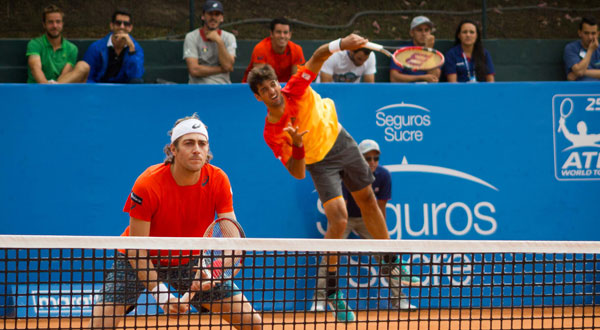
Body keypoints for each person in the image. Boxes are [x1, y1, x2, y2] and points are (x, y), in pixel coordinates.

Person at [247, 34, 417, 322]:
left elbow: (318, 56)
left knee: (368, 200)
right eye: (264, 89)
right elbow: (298, 173)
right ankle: (333, 292)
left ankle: (391, 262)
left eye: (273, 84)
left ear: (278, 82)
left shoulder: (296, 87)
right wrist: (298, 145)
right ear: (258, 97)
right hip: (316, 162)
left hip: (340, 141)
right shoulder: (272, 133)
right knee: (338, 218)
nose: (272, 91)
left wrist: (342, 43)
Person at [89, 114, 262, 329]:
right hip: (141, 258)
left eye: (202, 143)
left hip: (192, 262)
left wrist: (211, 271)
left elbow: (233, 242)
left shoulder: (218, 179)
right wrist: (162, 296)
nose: (197, 149)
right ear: (173, 149)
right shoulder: (148, 184)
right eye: (189, 143)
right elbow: (136, 249)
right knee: (98, 325)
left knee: (252, 322)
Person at [313, 140, 417, 311]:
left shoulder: (384, 176)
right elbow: (341, 209)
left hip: (367, 219)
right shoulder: (347, 175)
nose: (372, 162)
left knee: (388, 257)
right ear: (359, 159)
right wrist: (336, 233)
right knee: (330, 255)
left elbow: (380, 208)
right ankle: (319, 300)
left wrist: (382, 239)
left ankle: (399, 299)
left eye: (376, 158)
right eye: (368, 158)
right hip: (345, 217)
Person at [58, 8, 144, 83]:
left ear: (130, 28)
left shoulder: (136, 49)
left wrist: (131, 49)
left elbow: (136, 76)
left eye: (126, 24)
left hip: (123, 92)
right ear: (112, 25)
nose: (122, 26)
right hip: (99, 90)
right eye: (118, 23)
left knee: (137, 81)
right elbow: (88, 77)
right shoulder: (96, 47)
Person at [183, 0, 236, 84]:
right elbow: (194, 70)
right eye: (210, 14)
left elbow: (228, 65)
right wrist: (222, 69)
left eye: (217, 14)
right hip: (198, 88)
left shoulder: (229, 37)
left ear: (222, 18)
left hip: (223, 87)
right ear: (203, 16)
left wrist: (219, 41)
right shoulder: (191, 37)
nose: (213, 18)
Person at [242, 18, 305, 83]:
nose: (282, 36)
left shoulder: (296, 49)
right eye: (278, 32)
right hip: (256, 88)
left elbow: (296, 80)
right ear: (271, 34)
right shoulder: (261, 48)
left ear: (290, 35)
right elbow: (260, 80)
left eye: (285, 32)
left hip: (285, 88)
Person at [26, 5, 78, 84]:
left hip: (59, 90)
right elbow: (35, 68)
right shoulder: (34, 44)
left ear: (62, 24)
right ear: (44, 24)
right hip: (36, 90)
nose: (55, 26)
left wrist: (54, 91)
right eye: (50, 22)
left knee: (83, 66)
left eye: (58, 21)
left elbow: (64, 76)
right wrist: (47, 87)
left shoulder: (72, 49)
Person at [390, 16, 440, 83]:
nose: (424, 34)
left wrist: (429, 51)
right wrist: (421, 77)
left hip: (427, 90)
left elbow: (434, 78)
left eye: (426, 30)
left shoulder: (435, 53)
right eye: (419, 30)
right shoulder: (402, 51)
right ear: (412, 33)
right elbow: (394, 78)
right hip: (406, 89)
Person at [564, 16, 600, 81]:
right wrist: (590, 50)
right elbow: (578, 71)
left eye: (593, 33)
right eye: (586, 33)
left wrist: (583, 72)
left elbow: (578, 72)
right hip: (578, 89)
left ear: (598, 34)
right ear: (580, 33)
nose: (590, 37)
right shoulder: (571, 48)